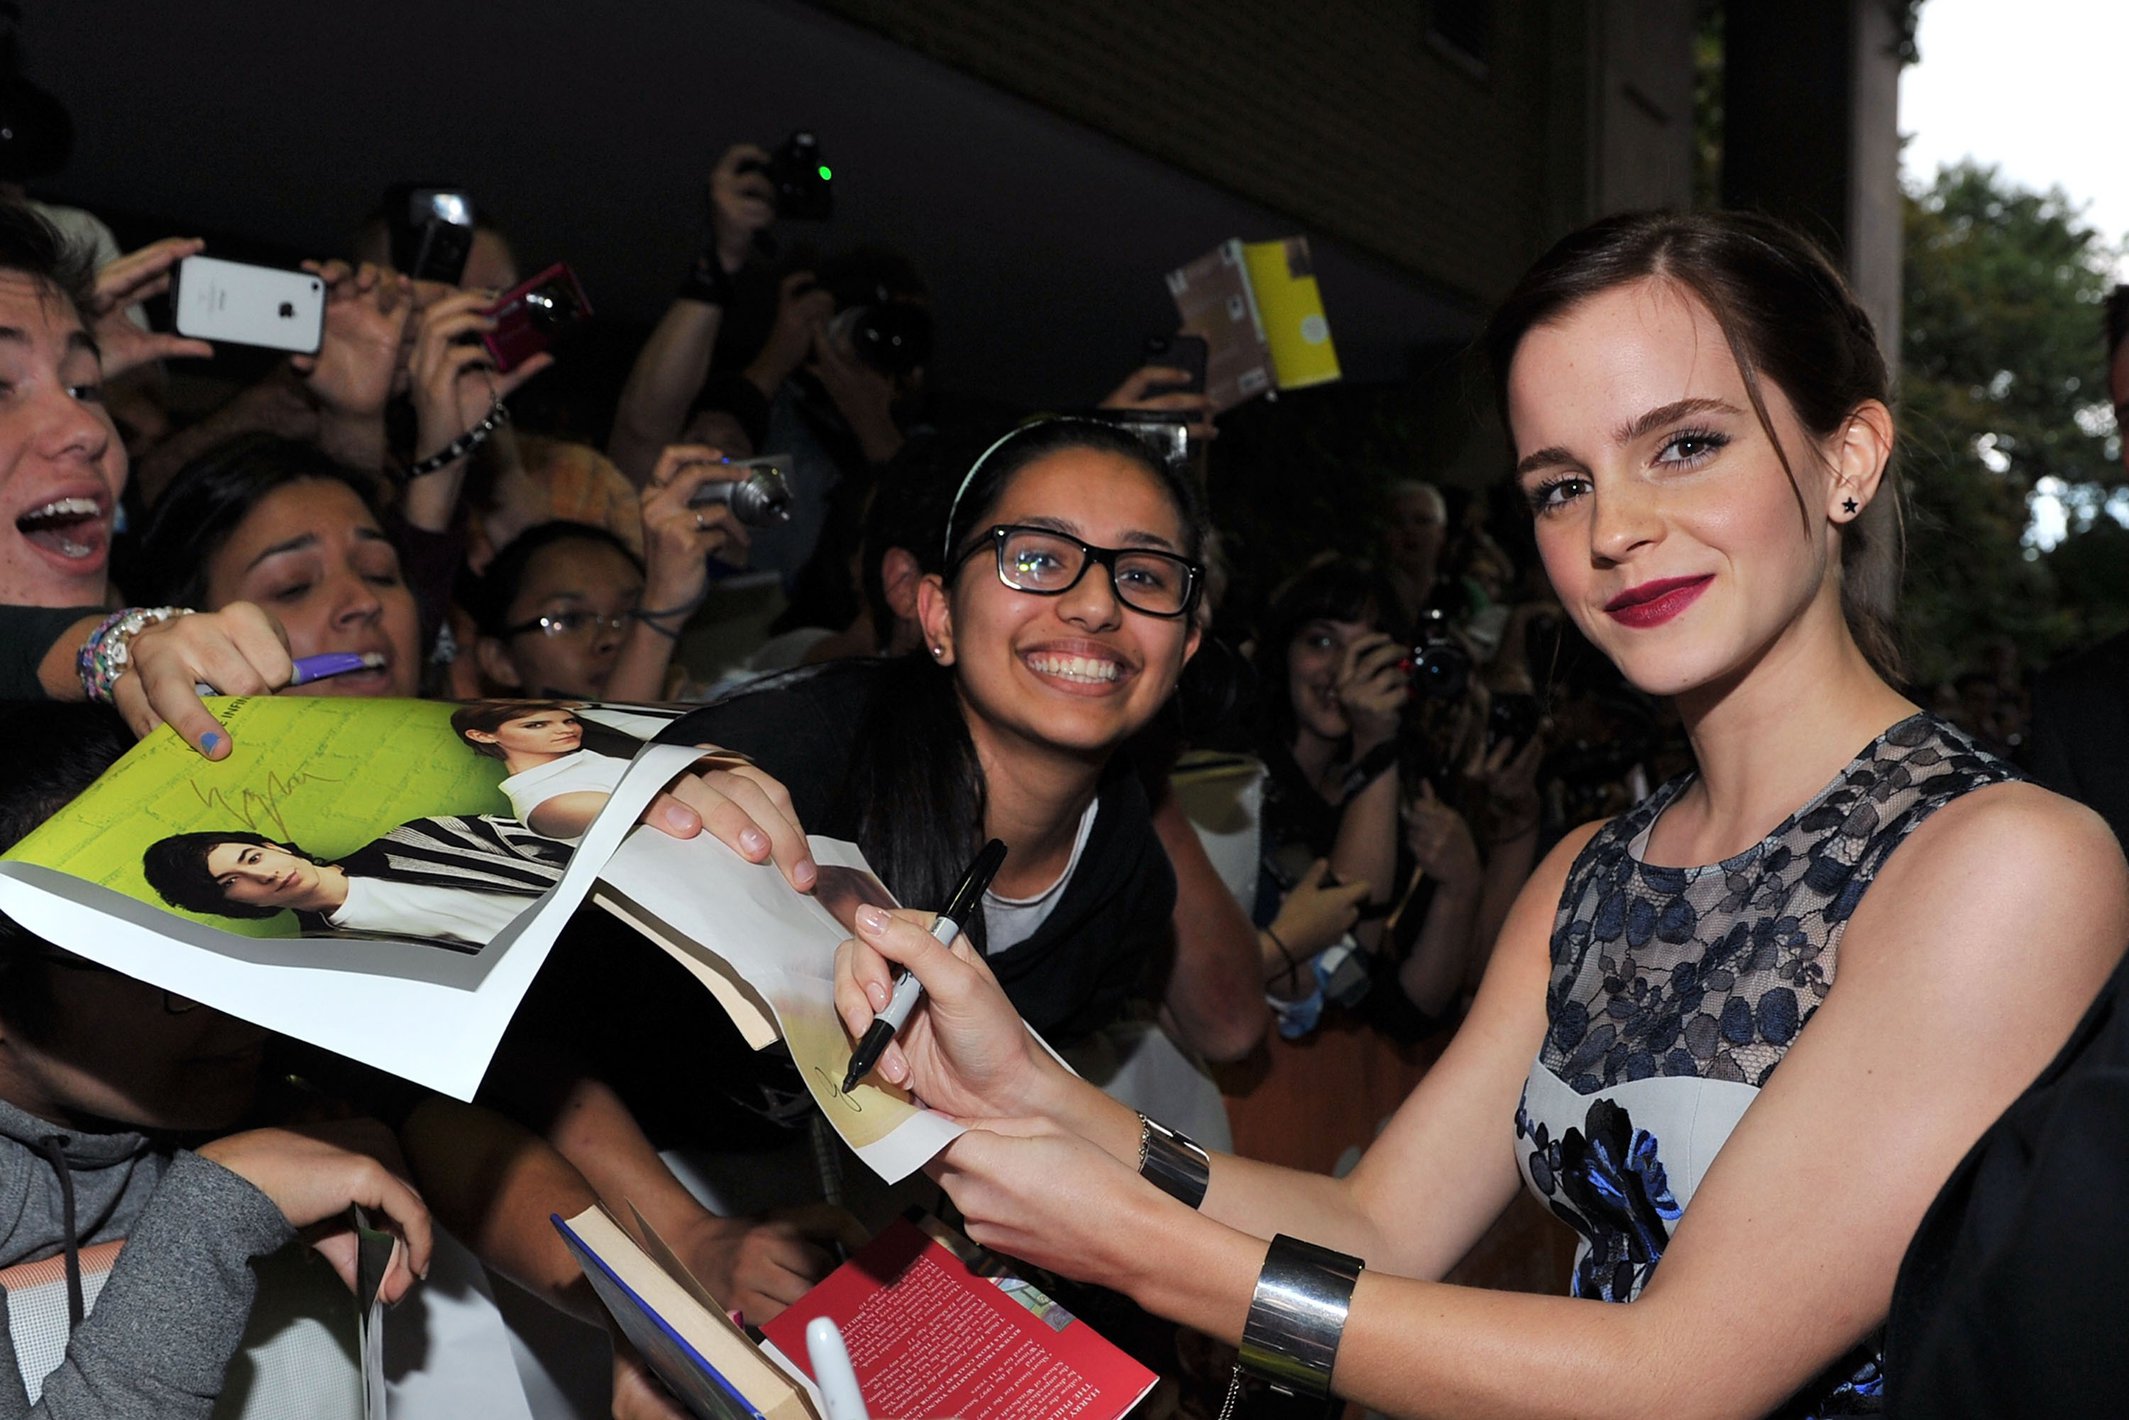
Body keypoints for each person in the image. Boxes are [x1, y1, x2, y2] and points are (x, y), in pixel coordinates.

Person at [831, 210, 2129, 1416]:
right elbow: (1381, 1228)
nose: (1616, 528)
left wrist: (1146, 1252)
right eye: (1561, 485)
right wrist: (1044, 1095)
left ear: (1846, 458)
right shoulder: (1588, 876)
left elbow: (1673, 1380)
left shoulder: (2001, 863)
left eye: (1683, 444)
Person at [141, 817, 570, 951]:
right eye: (233, 883)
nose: (264, 874)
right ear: (238, 906)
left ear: (273, 846)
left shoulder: (419, 836)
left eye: (253, 857)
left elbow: (556, 849)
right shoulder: (334, 956)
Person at [454, 699, 632, 844]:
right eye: (536, 725)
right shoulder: (549, 803)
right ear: (483, 736)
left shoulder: (591, 751)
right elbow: (658, 814)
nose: (567, 729)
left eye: (569, 720)